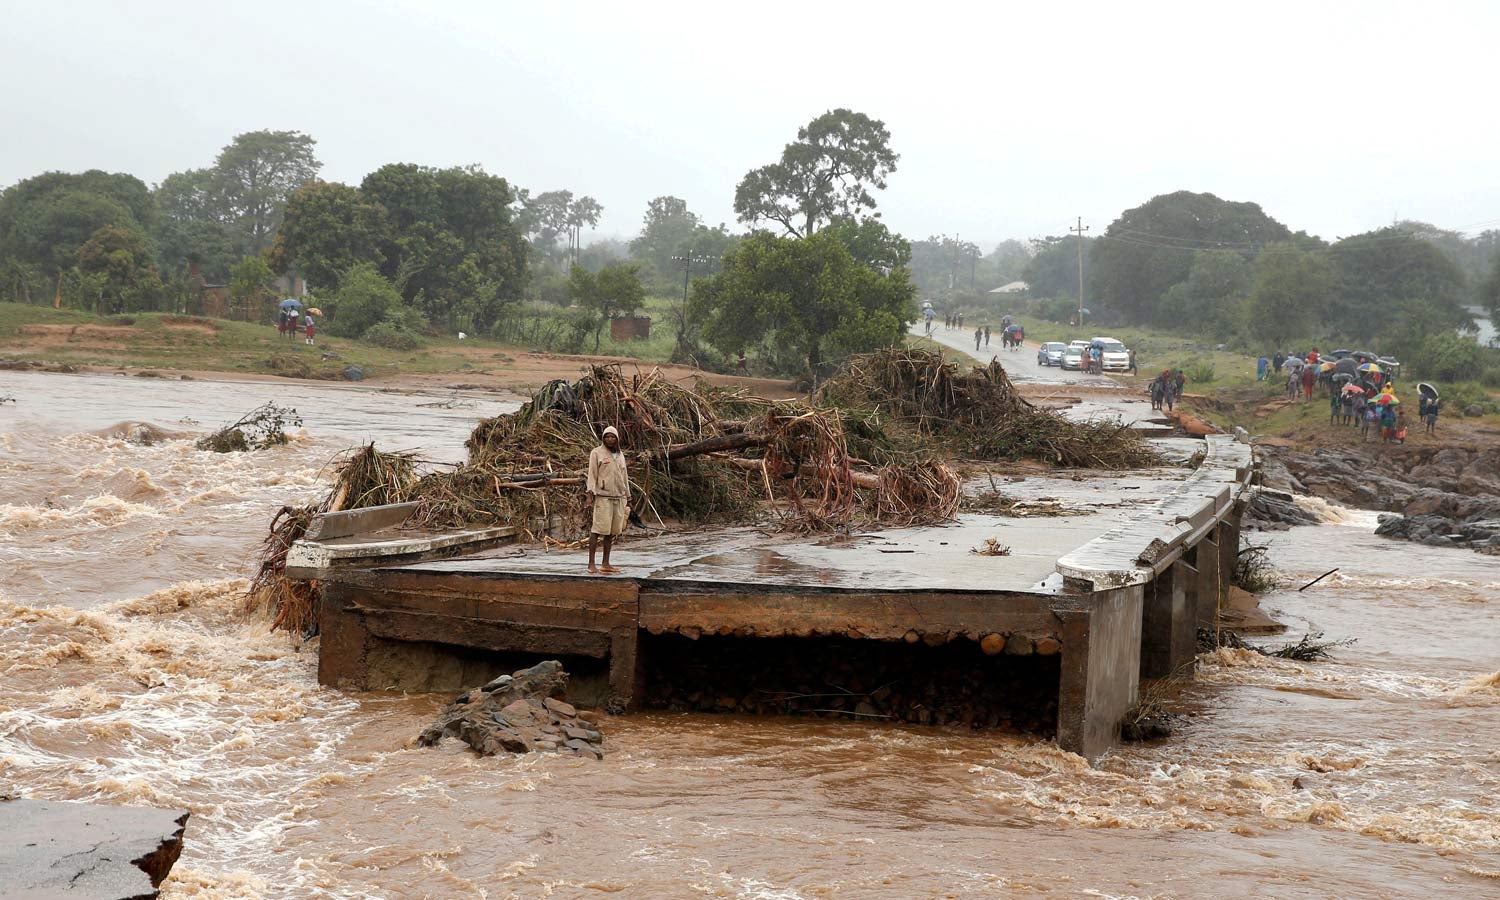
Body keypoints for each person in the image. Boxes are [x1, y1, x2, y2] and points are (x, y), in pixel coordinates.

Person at [585, 426, 630, 574]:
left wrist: (628, 496)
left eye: (612, 437)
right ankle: (591, 564)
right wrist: (590, 495)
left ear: (617, 438)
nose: (609, 439)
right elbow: (592, 475)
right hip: (603, 497)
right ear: (603, 438)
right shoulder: (596, 453)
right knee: (597, 530)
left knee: (611, 532)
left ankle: (606, 563)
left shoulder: (620, 454)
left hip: (619, 497)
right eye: (607, 437)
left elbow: (624, 477)